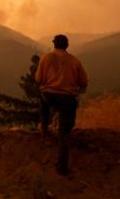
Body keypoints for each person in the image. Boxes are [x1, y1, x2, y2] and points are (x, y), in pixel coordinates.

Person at [35, 34, 88, 176]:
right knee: (64, 133)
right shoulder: (74, 61)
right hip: (67, 99)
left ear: (54, 45)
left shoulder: (45, 58)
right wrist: (77, 90)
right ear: (67, 45)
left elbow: (38, 79)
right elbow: (83, 82)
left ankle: (44, 128)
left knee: (43, 99)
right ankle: (62, 167)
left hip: (49, 96)